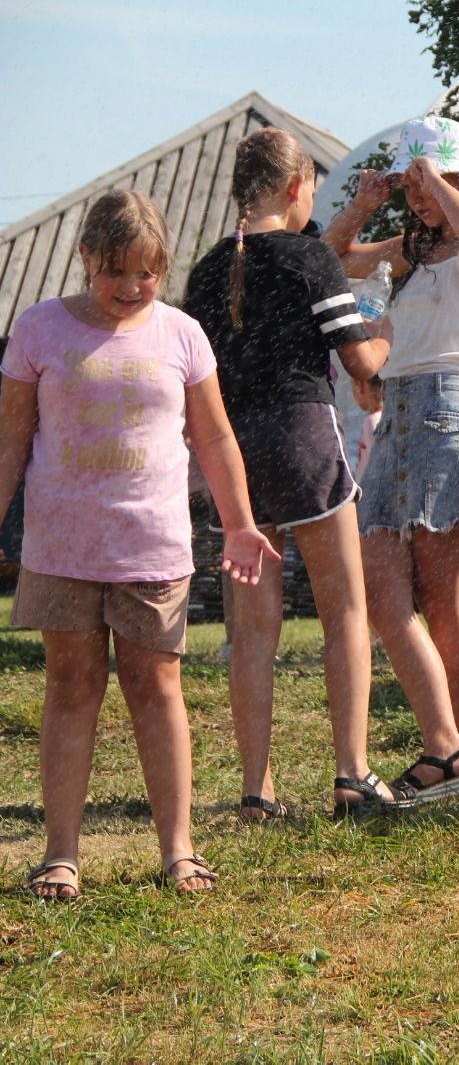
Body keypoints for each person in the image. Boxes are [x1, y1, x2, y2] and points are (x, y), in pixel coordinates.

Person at [0, 190, 277, 898]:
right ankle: (60, 853)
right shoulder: (37, 330)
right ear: (85, 257)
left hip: (152, 546)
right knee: (70, 686)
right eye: (115, 271)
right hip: (60, 547)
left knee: (157, 687)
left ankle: (178, 851)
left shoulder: (182, 335)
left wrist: (240, 521)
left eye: (146, 273)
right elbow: (10, 438)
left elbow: (213, 436)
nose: (130, 288)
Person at [184, 128, 401, 819]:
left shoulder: (206, 271)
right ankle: (351, 774)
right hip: (304, 436)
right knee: (345, 611)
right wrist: (391, 331)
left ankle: (256, 790)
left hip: (233, 454)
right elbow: (363, 364)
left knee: (251, 630)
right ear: (294, 187)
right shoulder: (311, 258)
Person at [324, 115, 459, 802]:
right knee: (384, 596)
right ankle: (448, 752)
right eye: (410, 182)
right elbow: (327, 262)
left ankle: (454, 759)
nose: (417, 196)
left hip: (451, 412)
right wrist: (362, 205)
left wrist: (437, 185)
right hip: (397, 417)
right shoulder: (410, 252)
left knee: (444, 603)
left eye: (429, 179)